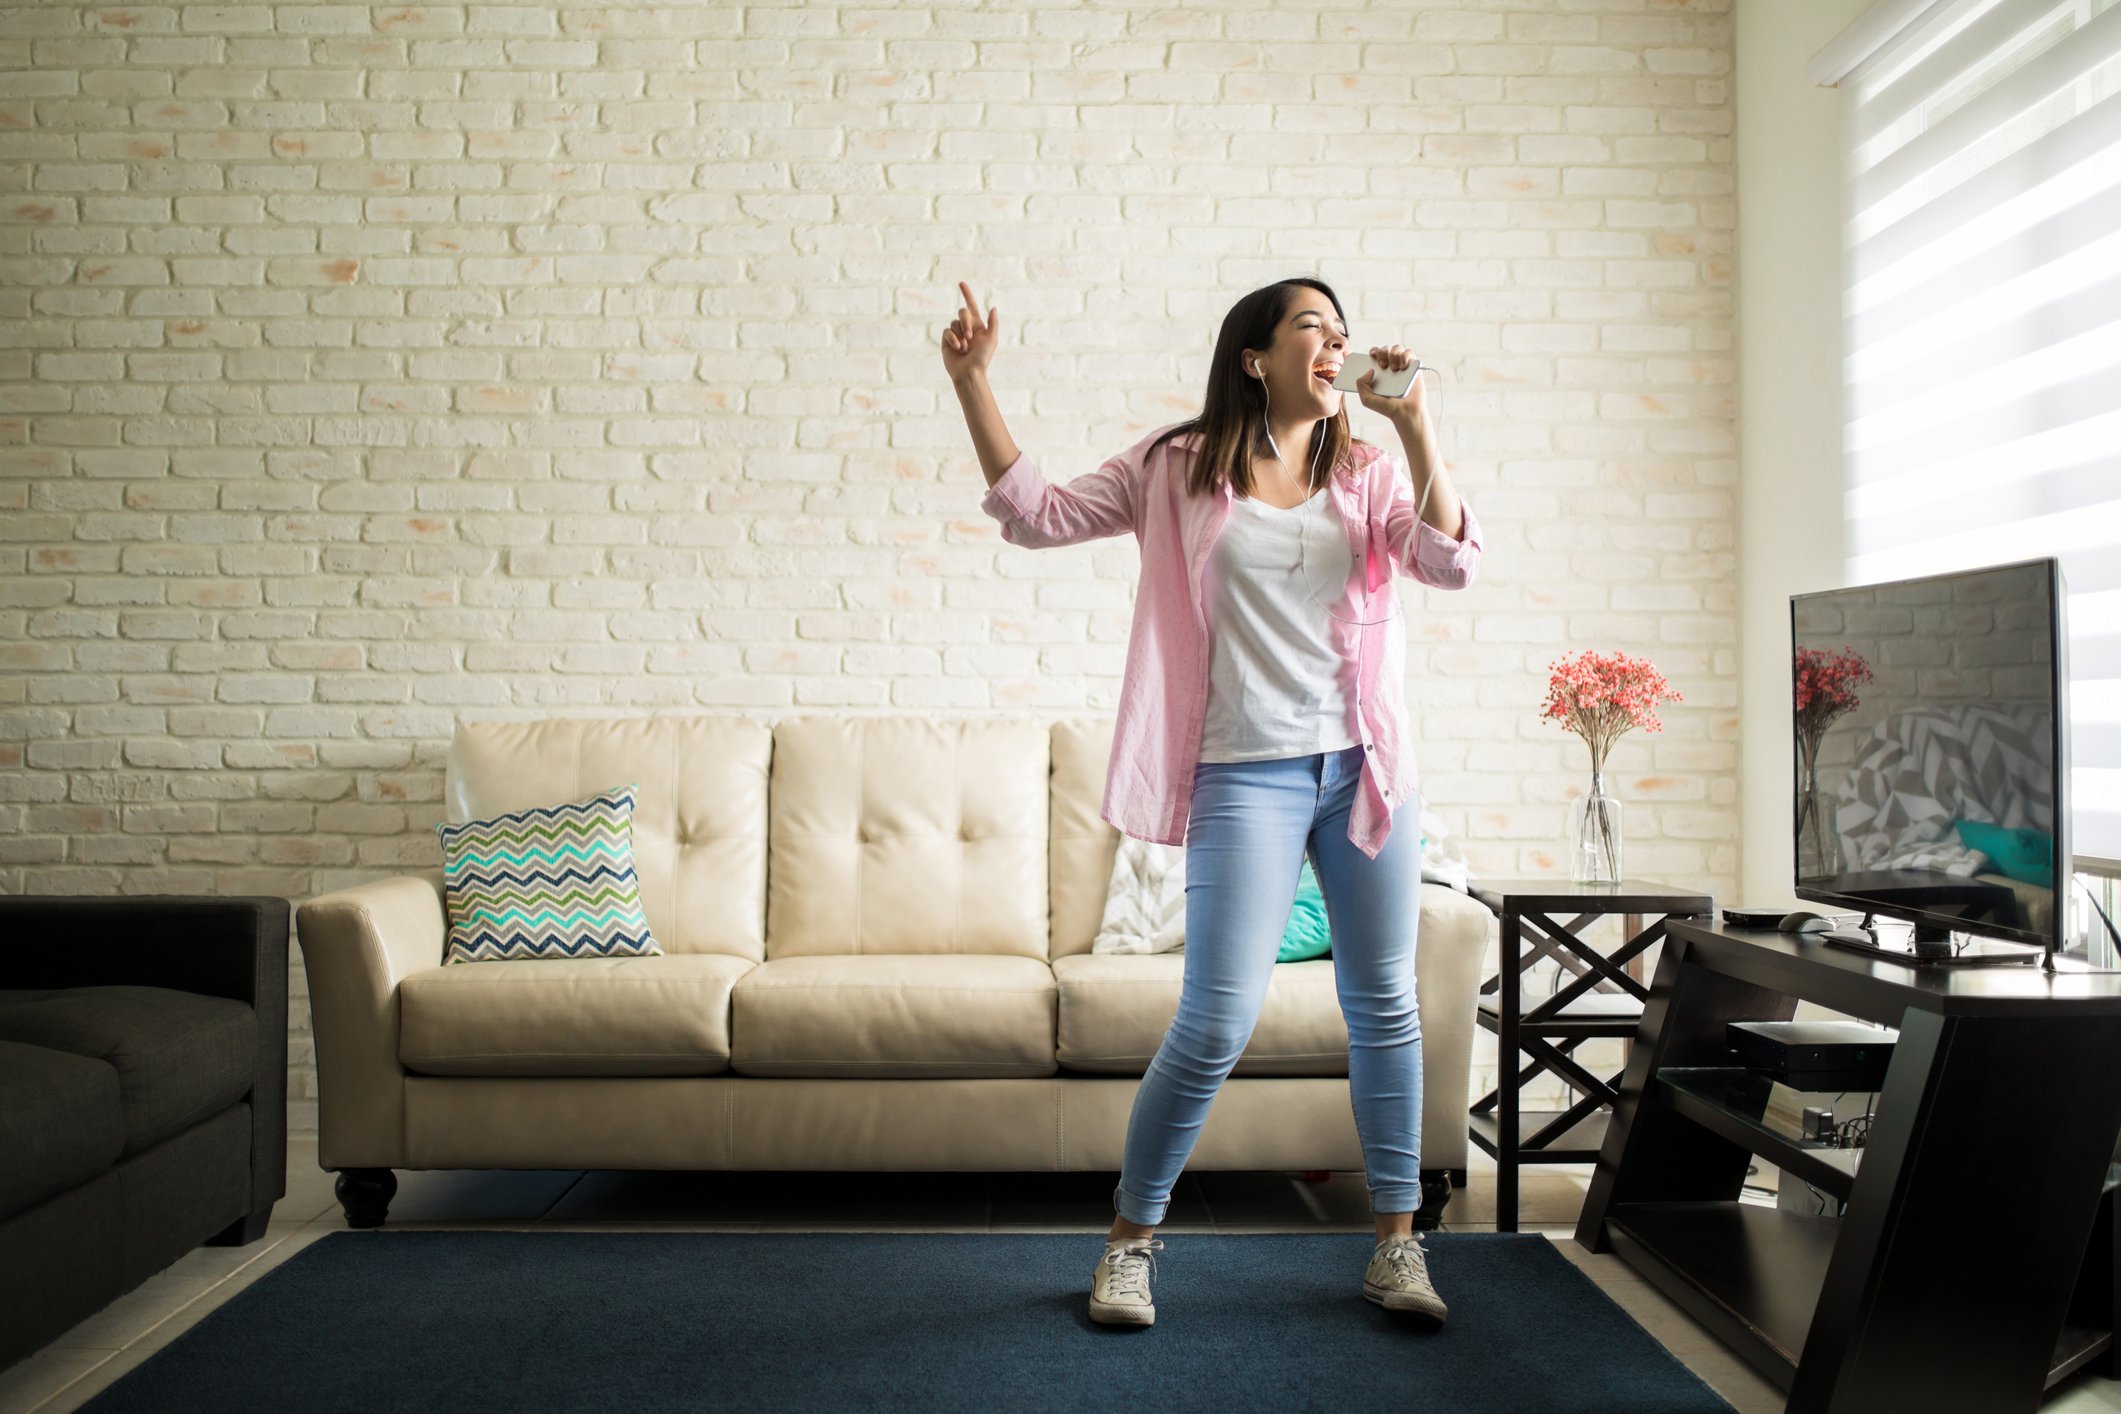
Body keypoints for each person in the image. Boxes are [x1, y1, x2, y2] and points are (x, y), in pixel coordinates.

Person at [941, 277, 1481, 1328]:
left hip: (1363, 770)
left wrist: (1417, 427)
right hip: (1245, 774)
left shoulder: (1366, 472)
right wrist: (973, 386)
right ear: (1256, 357)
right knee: (1215, 1017)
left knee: (1385, 1007)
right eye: (1313, 330)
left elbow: (1450, 559)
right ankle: (1129, 1243)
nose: (1336, 346)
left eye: (1343, 332)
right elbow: (1040, 513)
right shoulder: (1175, 466)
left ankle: (1397, 1247)